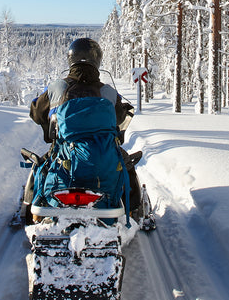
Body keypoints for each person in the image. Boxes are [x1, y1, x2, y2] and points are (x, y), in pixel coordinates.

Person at [22, 37, 142, 222]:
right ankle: (135, 211)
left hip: (65, 155)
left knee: (41, 166)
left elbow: (36, 113)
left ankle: (28, 210)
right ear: (97, 60)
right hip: (103, 154)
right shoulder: (109, 92)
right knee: (127, 167)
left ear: (71, 59)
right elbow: (119, 119)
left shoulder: (57, 87)